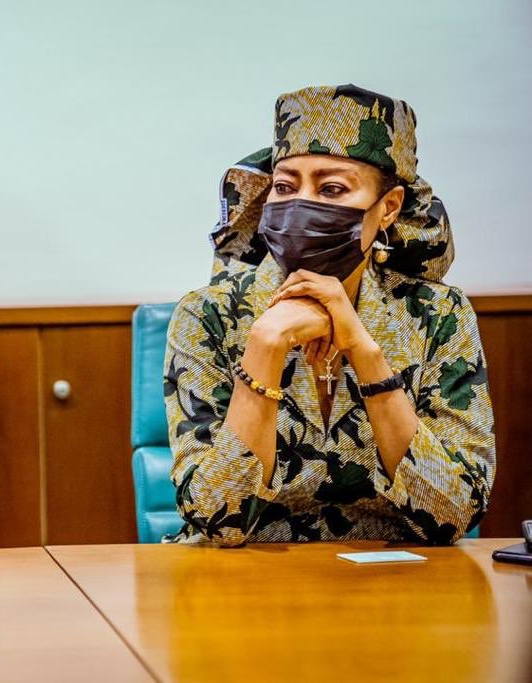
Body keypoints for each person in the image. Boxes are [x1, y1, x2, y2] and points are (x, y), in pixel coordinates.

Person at [164, 84, 495, 546]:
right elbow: (217, 520)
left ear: (389, 209)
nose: (302, 204)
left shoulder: (439, 314)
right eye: (284, 186)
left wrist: (365, 352)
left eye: (332, 188)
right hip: (239, 585)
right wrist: (264, 348)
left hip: (402, 591)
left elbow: (453, 514)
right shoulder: (208, 315)